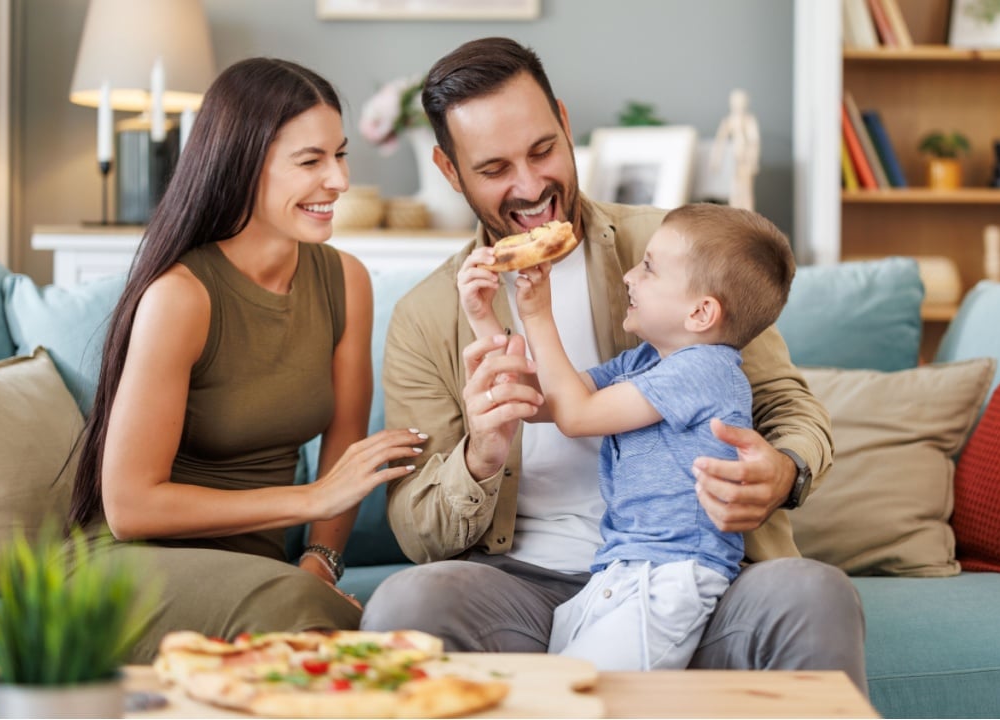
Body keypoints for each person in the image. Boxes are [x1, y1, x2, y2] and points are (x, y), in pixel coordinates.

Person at [364, 37, 866, 690]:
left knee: (812, 592)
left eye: (543, 150)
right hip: (524, 582)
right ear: (449, 170)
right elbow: (414, 526)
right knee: (408, 606)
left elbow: (788, 406)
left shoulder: (679, 249)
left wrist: (783, 468)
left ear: (567, 125)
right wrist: (481, 456)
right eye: (493, 169)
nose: (531, 185)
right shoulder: (426, 315)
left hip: (690, 572)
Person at [67, 57, 426, 663]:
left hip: (261, 578)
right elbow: (130, 508)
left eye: (340, 155)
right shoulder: (181, 296)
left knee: (305, 611)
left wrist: (321, 560)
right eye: (310, 161)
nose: (338, 180)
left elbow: (343, 447)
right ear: (242, 165)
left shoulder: (346, 281)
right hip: (135, 568)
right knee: (309, 624)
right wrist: (310, 499)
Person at [458, 203, 796, 671]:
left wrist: (537, 315)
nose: (629, 276)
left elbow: (576, 415)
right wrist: (483, 316)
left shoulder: (706, 369)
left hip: (671, 576)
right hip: (620, 571)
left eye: (649, 268)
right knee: (560, 692)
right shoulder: (644, 363)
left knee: (577, 696)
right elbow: (538, 400)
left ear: (701, 312)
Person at [710, 88, 760, 212]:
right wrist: (716, 160)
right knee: (734, 190)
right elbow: (720, 142)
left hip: (746, 159)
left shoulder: (749, 120)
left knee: (746, 190)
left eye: (742, 101)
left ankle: (748, 216)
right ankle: (736, 216)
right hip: (734, 160)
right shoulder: (728, 121)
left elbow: (755, 141)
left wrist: (753, 161)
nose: (739, 104)